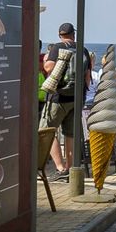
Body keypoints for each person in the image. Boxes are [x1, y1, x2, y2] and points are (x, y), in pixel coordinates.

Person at [42, 22, 92, 177]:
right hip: (76, 98)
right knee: (70, 134)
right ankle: (70, 169)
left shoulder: (57, 47)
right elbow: (88, 77)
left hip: (58, 97)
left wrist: (46, 61)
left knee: (46, 130)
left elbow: (49, 68)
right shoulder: (82, 49)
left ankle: (60, 168)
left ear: (59, 35)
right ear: (73, 34)